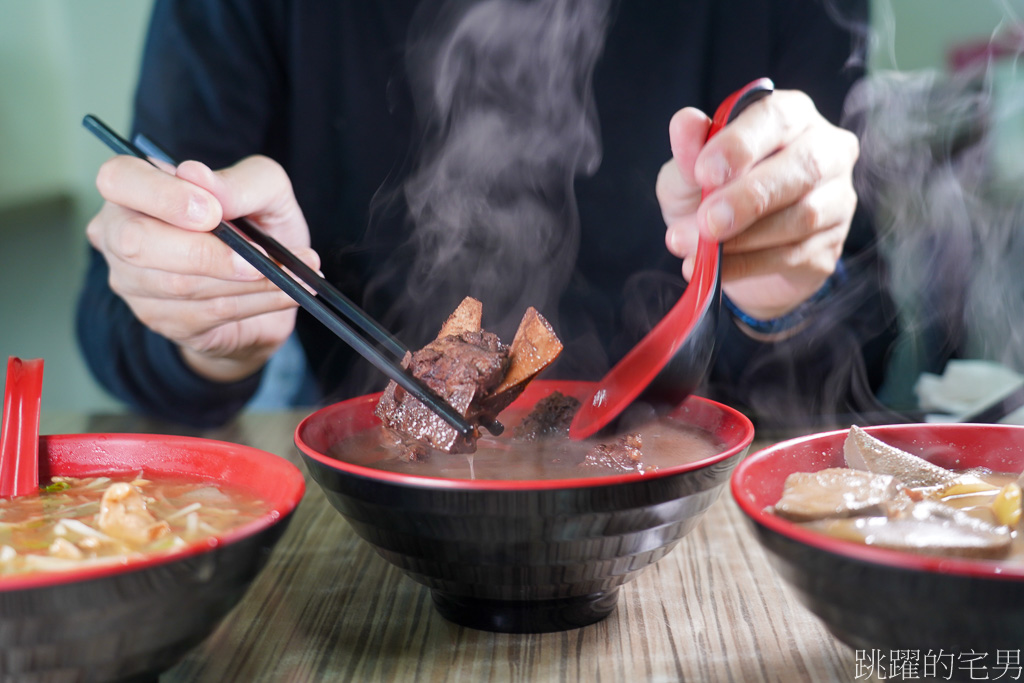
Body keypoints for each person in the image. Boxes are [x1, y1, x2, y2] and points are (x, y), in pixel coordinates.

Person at [78, 0, 896, 428]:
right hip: (359, 510)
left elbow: (870, 338)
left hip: (700, 512)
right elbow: (117, 325)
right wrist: (213, 319)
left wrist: (789, 294)